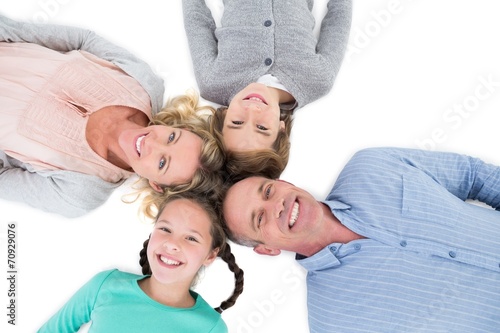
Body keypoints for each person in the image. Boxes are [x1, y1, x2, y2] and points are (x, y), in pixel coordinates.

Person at [221, 147, 500, 332]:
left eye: (268, 191)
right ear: (267, 249)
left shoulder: (372, 166)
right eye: (260, 218)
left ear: (286, 183)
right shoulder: (333, 322)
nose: (277, 206)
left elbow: (474, 176)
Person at [0, 14, 224, 217]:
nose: (152, 143)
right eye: (172, 138)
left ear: (157, 185)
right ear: (181, 127)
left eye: (162, 162)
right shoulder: (145, 83)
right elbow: (83, 41)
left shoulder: (80, 193)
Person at [182, 0, 352, 178]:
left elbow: (197, 22)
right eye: (262, 127)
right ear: (281, 129)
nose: (252, 111)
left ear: (224, 116)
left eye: (237, 123)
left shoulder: (213, 82)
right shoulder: (318, 80)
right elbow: (338, 22)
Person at [38, 191, 244, 333]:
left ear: (210, 255)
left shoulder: (210, 327)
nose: (172, 244)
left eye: (191, 238)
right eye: (165, 229)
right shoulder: (105, 285)